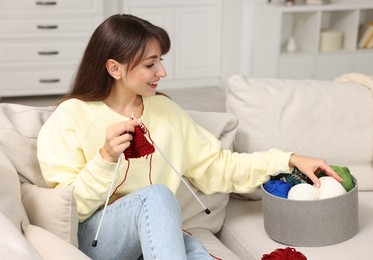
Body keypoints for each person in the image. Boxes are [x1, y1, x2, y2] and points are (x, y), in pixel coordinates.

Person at [37, 14, 342, 260]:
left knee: (192, 249)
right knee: (157, 196)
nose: (162, 72)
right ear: (114, 68)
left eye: (161, 60)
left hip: (152, 237)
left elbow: (218, 167)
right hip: (96, 240)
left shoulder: (167, 112)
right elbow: (68, 207)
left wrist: (287, 159)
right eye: (150, 64)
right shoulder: (71, 115)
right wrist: (105, 159)